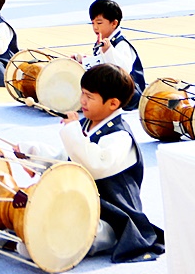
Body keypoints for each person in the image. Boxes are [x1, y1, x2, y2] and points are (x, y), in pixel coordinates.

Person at [16, 65, 164, 263]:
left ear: (113, 103)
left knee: (61, 230)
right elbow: (68, 161)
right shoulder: (88, 124)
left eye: (89, 97)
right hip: (84, 204)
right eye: (82, 93)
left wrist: (73, 131)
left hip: (112, 215)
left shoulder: (121, 137)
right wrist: (32, 154)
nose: (82, 101)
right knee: (31, 212)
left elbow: (94, 166)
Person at [76, 0, 145, 110]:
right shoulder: (104, 40)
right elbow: (100, 63)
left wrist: (108, 50)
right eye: (93, 23)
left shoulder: (121, 44)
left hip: (128, 95)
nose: (95, 27)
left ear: (114, 23)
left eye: (99, 23)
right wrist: (81, 60)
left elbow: (123, 71)